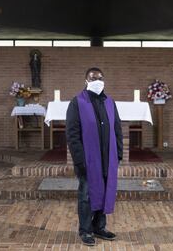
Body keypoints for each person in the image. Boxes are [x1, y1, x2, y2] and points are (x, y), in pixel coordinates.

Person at [66, 67, 123, 246]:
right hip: (88, 161)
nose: (97, 81)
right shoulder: (77, 103)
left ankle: (99, 227)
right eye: (93, 78)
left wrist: (119, 153)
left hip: (108, 158)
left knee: (105, 191)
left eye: (100, 78)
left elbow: (117, 129)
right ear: (86, 81)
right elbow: (72, 135)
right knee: (86, 195)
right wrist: (80, 161)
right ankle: (85, 230)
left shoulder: (109, 102)